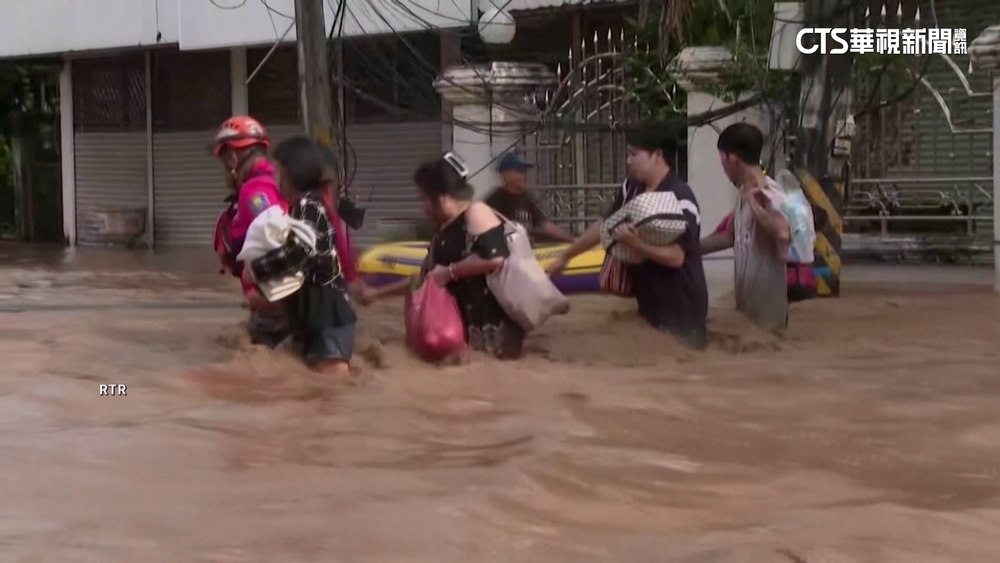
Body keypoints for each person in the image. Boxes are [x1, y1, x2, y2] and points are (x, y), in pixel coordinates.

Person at [547, 123, 709, 350]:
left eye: (635, 154)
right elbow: (605, 227)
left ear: (657, 156)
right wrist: (566, 256)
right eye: (628, 154)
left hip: (681, 304)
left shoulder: (680, 199)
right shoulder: (631, 188)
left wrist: (636, 244)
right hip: (648, 298)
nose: (628, 160)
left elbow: (676, 258)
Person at [362, 154, 524, 359]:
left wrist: (450, 272)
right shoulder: (442, 232)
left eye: (423, 198)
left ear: (441, 197)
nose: (422, 207)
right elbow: (423, 279)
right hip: (463, 339)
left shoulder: (476, 213)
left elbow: (495, 258)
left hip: (495, 338)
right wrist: (376, 294)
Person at [246, 136, 364, 374]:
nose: (273, 179)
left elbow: (297, 254)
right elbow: (302, 267)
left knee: (334, 386)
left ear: (292, 174)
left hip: (329, 314)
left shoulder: (308, 206)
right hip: (317, 313)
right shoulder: (306, 206)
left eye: (277, 172)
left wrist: (256, 270)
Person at [700, 122, 791, 333]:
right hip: (747, 311)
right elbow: (728, 236)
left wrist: (757, 208)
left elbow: (783, 233)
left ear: (732, 159)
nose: (723, 169)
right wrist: (686, 249)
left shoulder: (769, 193)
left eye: (722, 161)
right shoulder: (744, 194)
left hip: (769, 316)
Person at [210, 115, 289, 347]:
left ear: (233, 158)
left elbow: (276, 241)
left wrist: (256, 287)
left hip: (275, 307)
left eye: (224, 161)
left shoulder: (255, 191)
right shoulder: (276, 182)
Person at [484, 153, 573, 244]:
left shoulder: (527, 197)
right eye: (519, 171)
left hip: (529, 251)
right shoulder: (495, 201)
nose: (524, 175)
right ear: (505, 175)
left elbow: (545, 225)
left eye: (524, 171)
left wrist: (572, 241)